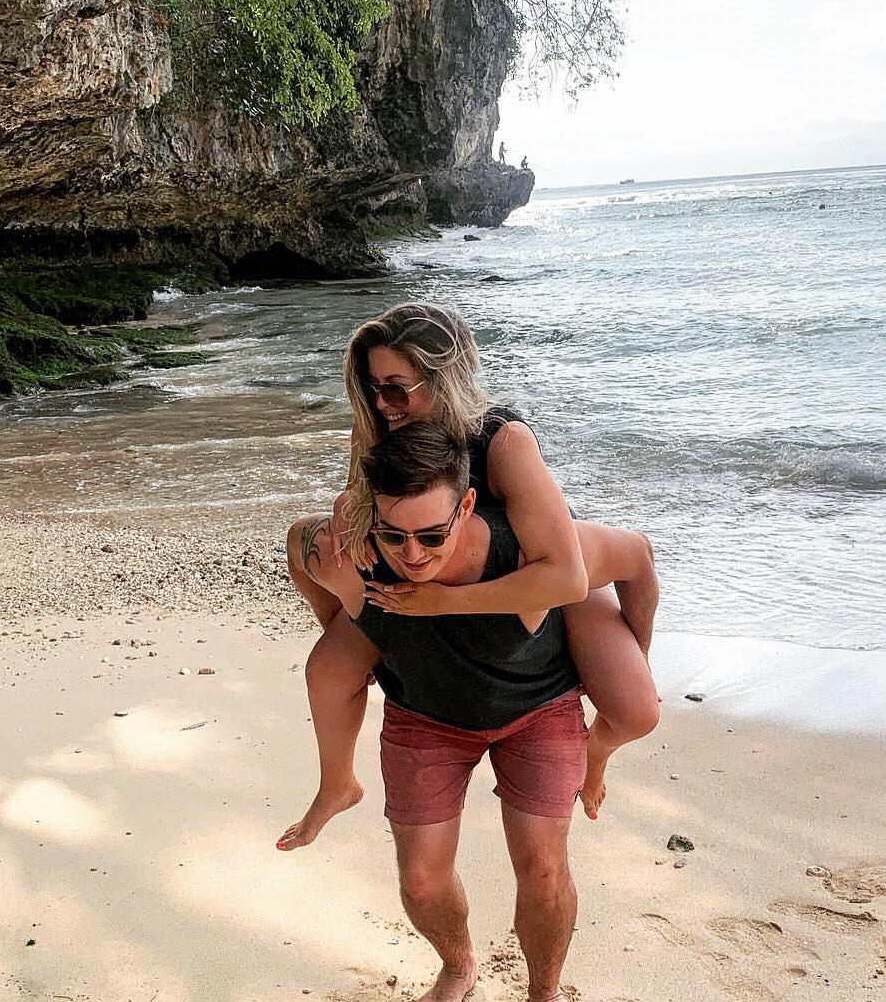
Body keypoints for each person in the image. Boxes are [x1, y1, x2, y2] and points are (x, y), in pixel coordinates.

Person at [303, 422, 633, 1002]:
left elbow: (637, 558)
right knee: (421, 881)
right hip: (424, 717)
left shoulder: (530, 550)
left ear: (467, 506)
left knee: (544, 869)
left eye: (432, 535)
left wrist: (627, 676)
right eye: (394, 536)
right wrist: (355, 631)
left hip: (539, 709)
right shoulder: (358, 550)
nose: (413, 553)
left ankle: (547, 995)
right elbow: (300, 549)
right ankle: (458, 967)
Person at [278, 303, 659, 852]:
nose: (380, 403)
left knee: (636, 711)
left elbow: (571, 574)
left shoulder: (503, 441)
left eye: (395, 388)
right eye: (372, 387)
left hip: (545, 565)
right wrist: (372, 626)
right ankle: (337, 785)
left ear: (444, 379)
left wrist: (636, 653)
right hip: (436, 569)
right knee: (328, 670)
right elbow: (358, 507)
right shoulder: (381, 428)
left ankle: (593, 752)